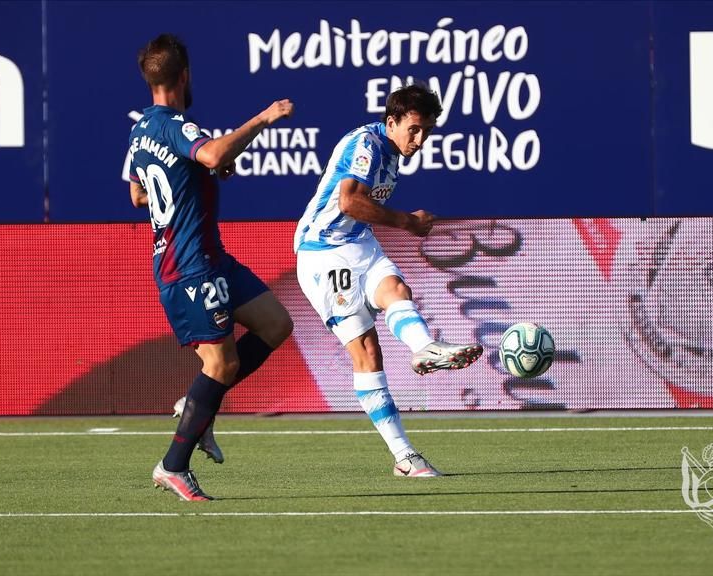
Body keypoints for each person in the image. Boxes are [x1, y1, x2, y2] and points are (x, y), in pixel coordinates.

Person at [127, 34, 294, 501]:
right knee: (222, 364)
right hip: (189, 264)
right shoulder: (174, 125)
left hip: (210, 256)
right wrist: (264, 118)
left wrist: (195, 172)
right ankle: (173, 465)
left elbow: (137, 194)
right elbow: (215, 153)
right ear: (184, 75)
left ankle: (199, 404)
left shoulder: (140, 129)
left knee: (276, 324)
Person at [293, 84, 483, 477]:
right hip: (323, 251)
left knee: (397, 290)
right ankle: (405, 456)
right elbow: (349, 202)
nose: (420, 139)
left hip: (358, 243)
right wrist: (407, 221)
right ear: (391, 121)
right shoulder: (368, 145)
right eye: (414, 129)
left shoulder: (392, 151)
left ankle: (425, 348)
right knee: (367, 352)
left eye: (427, 131)